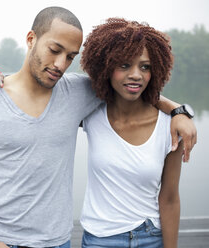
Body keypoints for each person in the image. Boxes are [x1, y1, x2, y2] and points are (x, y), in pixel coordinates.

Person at [0, 6, 196, 248]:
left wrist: (178, 111)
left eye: (70, 56)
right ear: (31, 39)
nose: (60, 64)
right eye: (54, 50)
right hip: (1, 240)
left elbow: (129, 88)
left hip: (58, 242)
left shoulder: (77, 93)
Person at [78, 18, 183, 247]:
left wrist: (180, 113)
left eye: (144, 66)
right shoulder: (90, 113)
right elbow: (39, 96)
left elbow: (170, 199)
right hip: (100, 238)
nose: (136, 74)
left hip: (150, 237)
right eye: (124, 65)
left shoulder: (171, 127)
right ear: (105, 67)